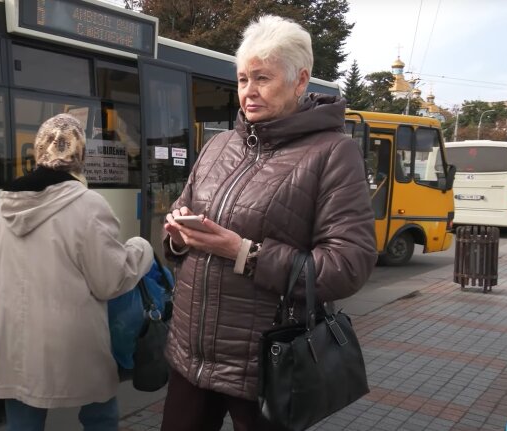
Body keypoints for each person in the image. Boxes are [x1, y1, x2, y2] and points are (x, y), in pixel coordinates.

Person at [161, 15, 378, 431]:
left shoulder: (334, 152)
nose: (249, 91)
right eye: (243, 79)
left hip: (266, 364)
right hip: (191, 356)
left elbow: (348, 265)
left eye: (262, 78)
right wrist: (178, 235)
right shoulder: (219, 145)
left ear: (300, 81)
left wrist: (243, 253)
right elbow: (180, 211)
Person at [0, 113, 153, 431]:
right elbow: (110, 281)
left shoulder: (3, 205)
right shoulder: (88, 204)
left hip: (16, 342)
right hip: (75, 343)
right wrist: (141, 248)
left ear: (38, 149)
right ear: (80, 153)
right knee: (100, 416)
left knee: (23, 420)